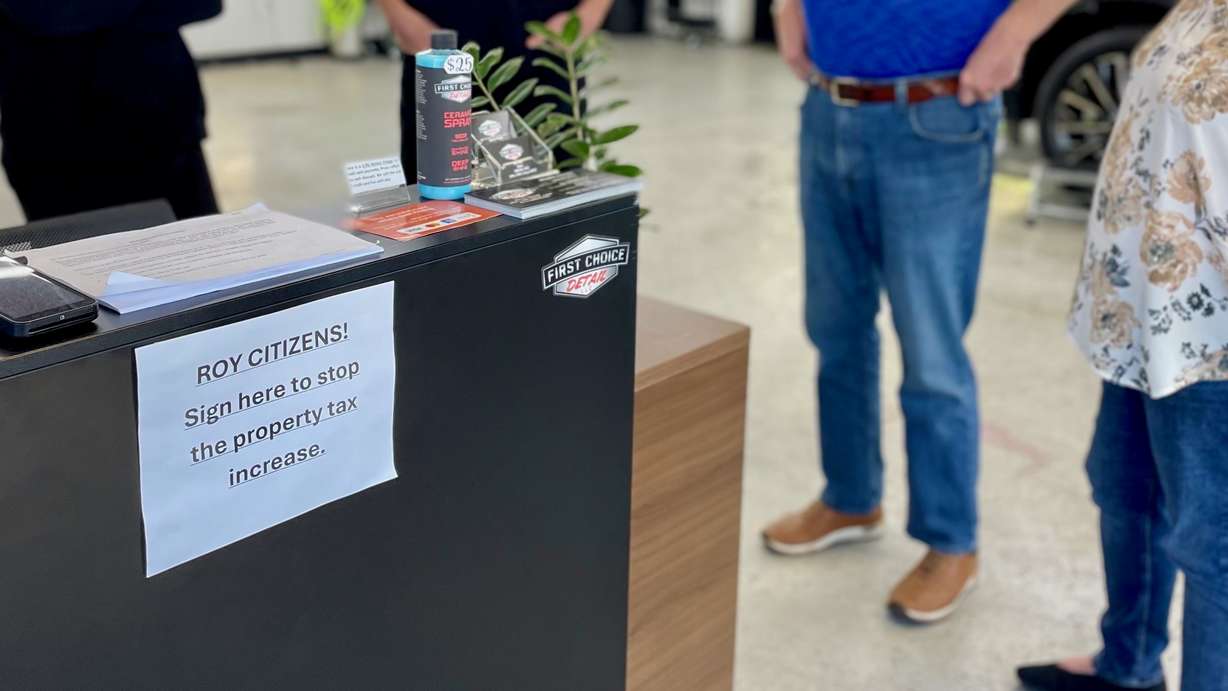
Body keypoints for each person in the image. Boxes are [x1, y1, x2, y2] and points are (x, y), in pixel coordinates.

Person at [761, 0, 1076, 623]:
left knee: (931, 351)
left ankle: (951, 542)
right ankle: (850, 497)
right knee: (835, 326)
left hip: (936, 114)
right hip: (829, 110)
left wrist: (1016, 31)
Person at [1017, 2, 1228, 689]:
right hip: (1141, 321)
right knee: (1126, 488)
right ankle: (1127, 665)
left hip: (1209, 344)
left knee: (1213, 551)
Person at [0, 1, 222, 222]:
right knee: (72, 249)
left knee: (197, 245)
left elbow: (202, 5)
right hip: (53, 133)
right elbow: (46, 14)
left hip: (163, 124)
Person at [376, 0, 614, 176]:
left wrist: (592, 10)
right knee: (439, 200)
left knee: (559, 192)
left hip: (548, 41)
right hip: (438, 43)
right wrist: (396, 12)